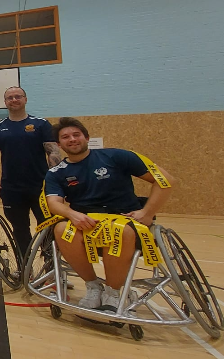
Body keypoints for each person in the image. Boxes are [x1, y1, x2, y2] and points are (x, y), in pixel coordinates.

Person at [44, 117, 175, 311]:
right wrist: (72, 214)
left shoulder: (116, 156)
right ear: (59, 144)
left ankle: (113, 292)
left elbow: (166, 180)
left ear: (86, 137)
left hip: (125, 219)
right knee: (62, 229)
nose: (72, 139)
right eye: (65, 137)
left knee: (121, 232)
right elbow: (53, 203)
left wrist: (147, 212)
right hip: (87, 222)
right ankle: (93, 286)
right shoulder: (56, 172)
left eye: (76, 135)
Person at [0, 86, 61, 262]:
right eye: (10, 98)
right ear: (5, 102)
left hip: (40, 187)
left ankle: (51, 270)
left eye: (18, 96)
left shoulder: (41, 124)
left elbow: (53, 152)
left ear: (25, 99)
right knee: (19, 229)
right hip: (11, 188)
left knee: (48, 229)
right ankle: (24, 269)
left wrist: (54, 179)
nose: (14, 100)